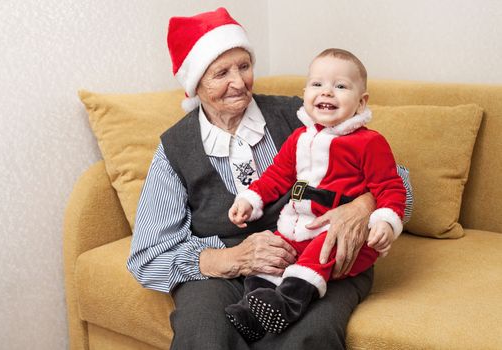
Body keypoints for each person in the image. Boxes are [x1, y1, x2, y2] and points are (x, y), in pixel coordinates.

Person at [127, 7, 413, 350]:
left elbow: (398, 183)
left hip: (318, 256)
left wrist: (362, 207)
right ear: (195, 84)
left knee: (308, 337)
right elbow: (146, 257)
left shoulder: (305, 114)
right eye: (221, 73)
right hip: (223, 271)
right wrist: (232, 259)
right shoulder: (174, 149)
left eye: (244, 67)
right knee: (202, 334)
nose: (239, 82)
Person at [226, 48, 406, 340]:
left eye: (341, 86)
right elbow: (277, 176)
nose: (328, 92)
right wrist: (250, 199)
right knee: (272, 254)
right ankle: (255, 311)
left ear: (361, 102)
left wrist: (384, 222)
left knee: (324, 248)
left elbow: (390, 187)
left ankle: (287, 305)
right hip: (298, 227)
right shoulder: (299, 138)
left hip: (341, 235)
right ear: (305, 92)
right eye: (318, 84)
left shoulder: (369, 142)